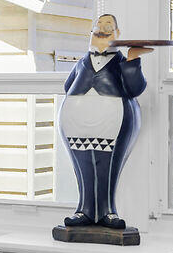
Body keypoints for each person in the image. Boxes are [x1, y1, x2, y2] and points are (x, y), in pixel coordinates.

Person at [60, 14, 151, 231]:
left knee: (107, 168)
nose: (101, 30)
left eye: (108, 26)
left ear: (117, 33)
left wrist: (133, 60)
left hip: (112, 125)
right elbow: (67, 86)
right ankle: (84, 210)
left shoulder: (121, 63)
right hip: (75, 126)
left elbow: (135, 88)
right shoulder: (82, 63)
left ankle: (108, 211)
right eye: (98, 26)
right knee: (82, 167)